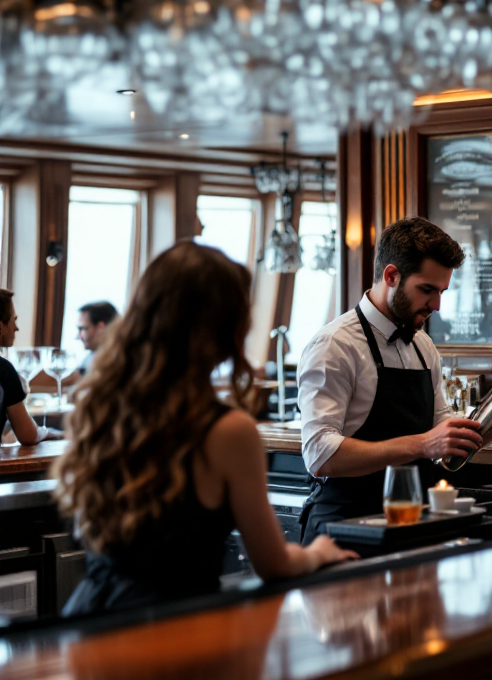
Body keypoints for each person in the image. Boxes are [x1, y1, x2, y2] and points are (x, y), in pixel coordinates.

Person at [54, 243, 357, 616]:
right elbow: (274, 564)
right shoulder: (229, 431)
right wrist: (317, 553)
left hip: (90, 618)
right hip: (171, 629)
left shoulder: (102, 409)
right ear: (225, 329)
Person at [297, 217, 484, 544]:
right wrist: (423, 445)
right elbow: (319, 454)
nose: (436, 306)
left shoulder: (423, 345)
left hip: (410, 524)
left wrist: (482, 429)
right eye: (427, 290)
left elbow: (439, 424)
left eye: (441, 292)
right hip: (345, 529)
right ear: (391, 276)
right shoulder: (335, 345)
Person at [0, 289, 58, 444]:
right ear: (0, 326)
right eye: (13, 320)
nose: (16, 328)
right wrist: (48, 432)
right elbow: (29, 435)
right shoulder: (4, 370)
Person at [76, 301, 118, 375]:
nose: (78, 336)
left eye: (82, 329)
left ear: (100, 327)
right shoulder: (88, 359)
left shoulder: (119, 363)